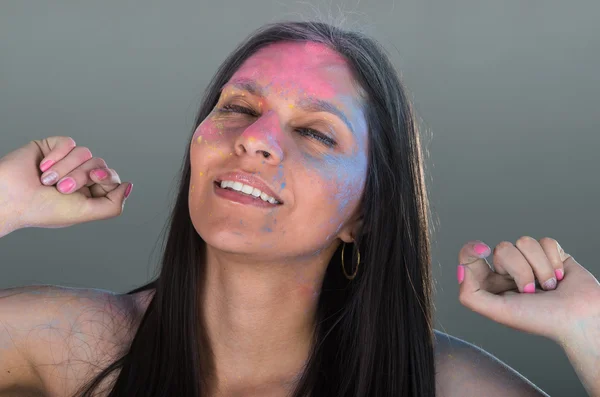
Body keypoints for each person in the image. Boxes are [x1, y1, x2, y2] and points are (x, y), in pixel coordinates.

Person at [0, 20, 598, 397]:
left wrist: (589, 326)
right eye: (236, 106)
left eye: (315, 132)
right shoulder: (73, 343)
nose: (255, 137)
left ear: (362, 215)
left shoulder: (443, 385)